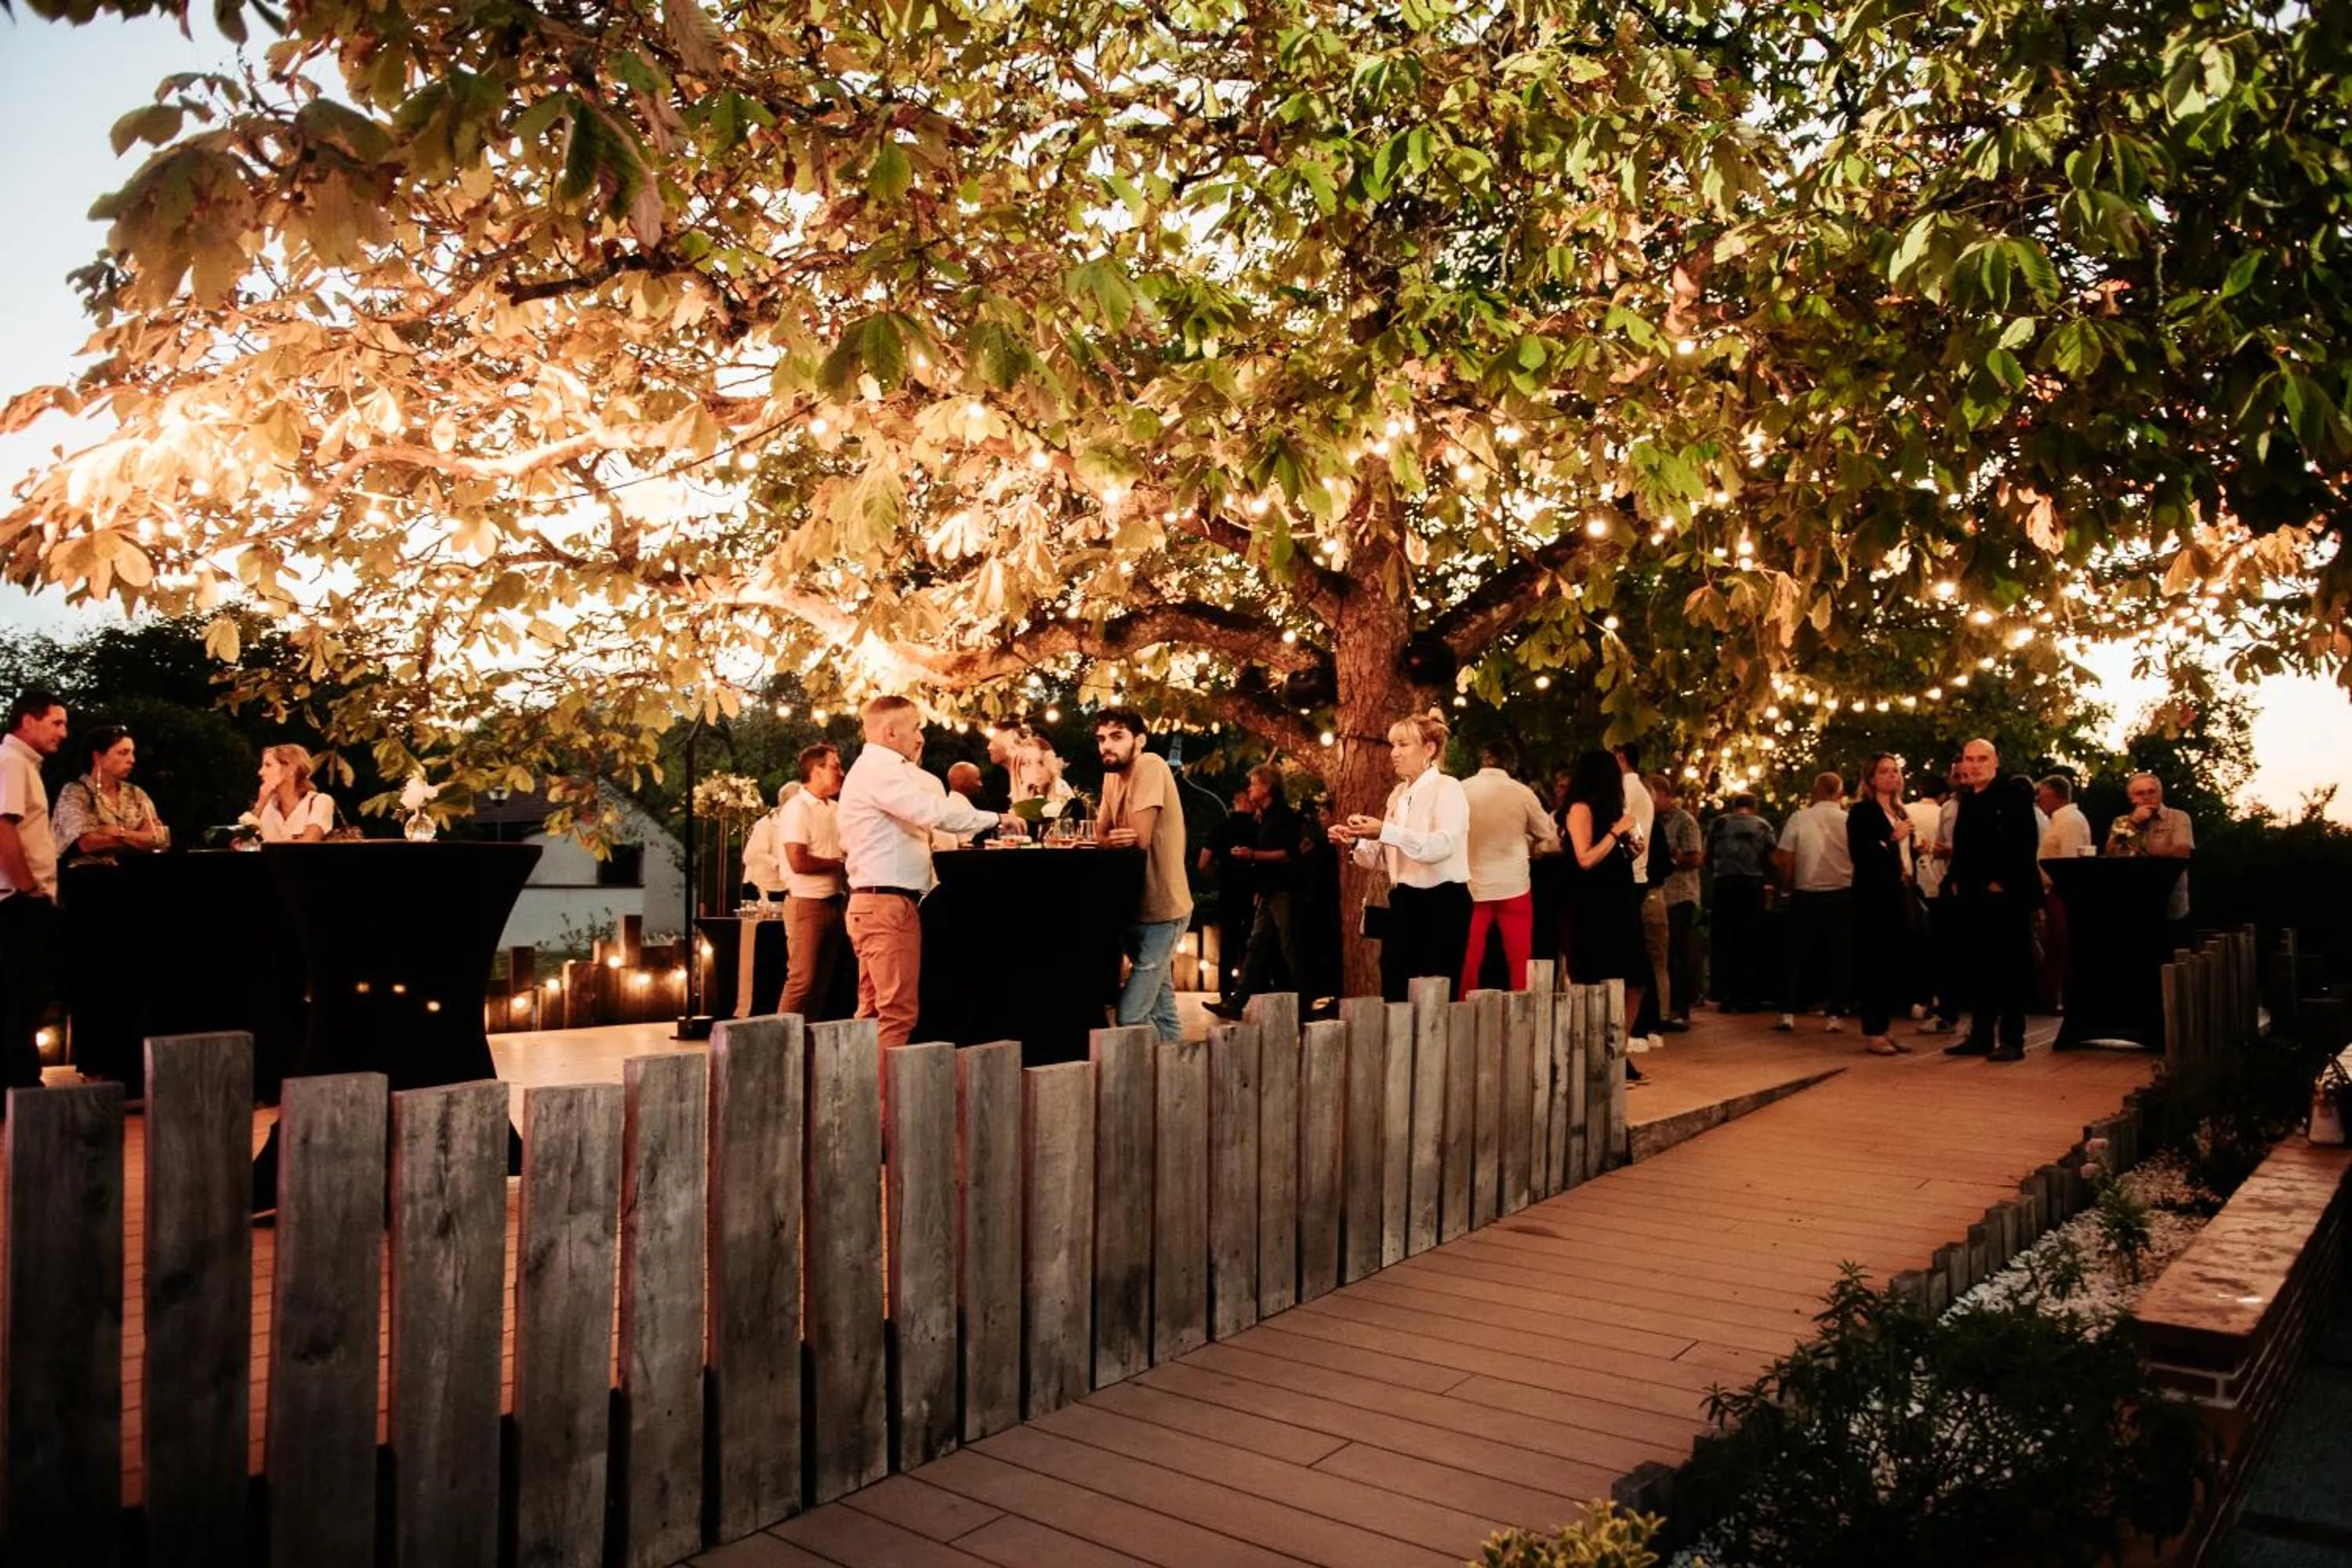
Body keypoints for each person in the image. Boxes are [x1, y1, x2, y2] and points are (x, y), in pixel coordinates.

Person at [837, 696, 1018, 1051]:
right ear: (891, 732)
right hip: (887, 905)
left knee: (873, 1012)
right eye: (915, 727)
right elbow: (930, 811)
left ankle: (863, 1098)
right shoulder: (881, 770)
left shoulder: (874, 769)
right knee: (896, 1014)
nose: (920, 735)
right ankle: (885, 1104)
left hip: (871, 903)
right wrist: (996, 818)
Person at [1330, 710, 1472, 1004]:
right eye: (1393, 745)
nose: (1394, 753)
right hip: (1403, 902)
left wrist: (1385, 830)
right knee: (1395, 992)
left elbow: (1440, 847)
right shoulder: (1397, 794)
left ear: (1429, 749)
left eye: (1403, 745)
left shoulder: (1448, 788)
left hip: (1443, 904)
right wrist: (1355, 842)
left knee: (1435, 997)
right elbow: (1391, 858)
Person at [1094, 708, 1191, 1044]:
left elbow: (1139, 838)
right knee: (1163, 1012)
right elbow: (1100, 834)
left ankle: (1150, 1081)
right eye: (1102, 738)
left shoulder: (1150, 764)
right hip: (1135, 907)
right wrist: (1108, 839)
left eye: (1117, 736)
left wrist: (1110, 839)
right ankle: (1177, 1081)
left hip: (1164, 908)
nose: (1107, 745)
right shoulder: (1111, 776)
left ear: (1140, 740)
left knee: (1131, 1014)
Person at [1944, 737, 2043, 1061]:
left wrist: (2002, 881)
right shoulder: (1968, 798)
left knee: (2009, 968)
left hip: (2006, 897)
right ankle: (1981, 1036)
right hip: (1974, 896)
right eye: (1968, 759)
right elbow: (1964, 845)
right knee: (1979, 966)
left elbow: (2024, 841)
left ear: (1995, 762)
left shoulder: (2013, 794)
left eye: (1980, 759)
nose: (1973, 765)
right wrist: (1956, 879)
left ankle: (2012, 1040)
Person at [1557, 748, 1646, 1078]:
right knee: (1595, 980)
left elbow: (1615, 858)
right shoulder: (1580, 809)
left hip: (1619, 905)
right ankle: (1596, 1054)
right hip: (1592, 909)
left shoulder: (1611, 812)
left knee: (1635, 980)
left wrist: (1631, 845)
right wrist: (1614, 833)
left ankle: (1616, 1051)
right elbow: (1585, 859)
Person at [0, 689, 69, 1101]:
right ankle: (18, 1085)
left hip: (23, 897)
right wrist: (27, 888)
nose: (64, 732)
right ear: (28, 720)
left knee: (29, 991)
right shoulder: (11, 762)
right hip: (16, 898)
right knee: (22, 992)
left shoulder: (23, 764)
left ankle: (20, 1081)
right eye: (56, 722)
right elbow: (4, 828)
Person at [1459, 739, 1559, 995]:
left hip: (1473, 886)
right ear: (1511, 765)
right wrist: (1526, 841)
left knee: (1469, 959)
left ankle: (1460, 1012)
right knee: (1519, 959)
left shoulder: (1461, 789)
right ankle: (1522, 1013)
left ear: (1483, 760)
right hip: (1514, 885)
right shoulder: (1522, 792)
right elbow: (1547, 832)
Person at [1846, 753, 1918, 1057]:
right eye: (1885, 772)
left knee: (1892, 963)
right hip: (1873, 897)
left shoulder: (1899, 811)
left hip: (1899, 891)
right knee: (1875, 963)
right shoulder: (1863, 812)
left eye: (1896, 771)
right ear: (1872, 779)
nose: (1892, 776)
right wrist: (1892, 839)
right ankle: (1873, 1031)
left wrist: (1913, 846)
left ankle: (1886, 1028)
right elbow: (1863, 853)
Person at [1773, 771, 1853, 1033]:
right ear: (1840, 793)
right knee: (1839, 954)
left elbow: (1784, 857)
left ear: (1815, 790)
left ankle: (1787, 1012)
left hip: (1805, 892)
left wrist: (1786, 883)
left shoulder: (1800, 818)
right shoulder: (1848, 820)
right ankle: (1835, 1014)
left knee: (1794, 954)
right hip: (1842, 892)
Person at [778, 743, 849, 1022]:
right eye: (835, 767)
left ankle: (808, 1046)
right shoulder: (797, 808)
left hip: (834, 901)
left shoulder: (836, 808)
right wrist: (840, 864)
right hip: (807, 903)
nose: (841, 773)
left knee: (822, 984)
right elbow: (799, 861)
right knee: (801, 980)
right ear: (816, 770)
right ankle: (781, 1041)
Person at [1228, 764, 1305, 1015]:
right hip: (1269, 891)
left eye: (1253, 784)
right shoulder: (1265, 816)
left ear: (1267, 787)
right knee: (1256, 946)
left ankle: (1304, 1005)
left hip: (1284, 890)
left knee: (1290, 948)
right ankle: (1237, 1002)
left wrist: (1254, 855)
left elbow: (1289, 854)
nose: (1249, 788)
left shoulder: (1284, 817)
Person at [52, 725, 170, 867]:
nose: (132, 760)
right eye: (123, 753)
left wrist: (118, 833)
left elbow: (159, 838)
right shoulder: (75, 793)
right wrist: (139, 838)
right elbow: (87, 843)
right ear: (97, 757)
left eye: (132, 753)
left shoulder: (136, 794)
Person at [1704, 793, 1775, 1011]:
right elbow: (1771, 859)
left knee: (1725, 939)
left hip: (1724, 885)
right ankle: (1749, 995)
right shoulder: (1763, 826)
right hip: (1752, 885)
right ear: (1754, 806)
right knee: (1751, 940)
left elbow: (1707, 858)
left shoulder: (1719, 823)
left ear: (1734, 806)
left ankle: (1726, 995)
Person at [2104, 772, 2194, 938]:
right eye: (2140, 793)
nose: (2147, 797)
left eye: (2152, 792)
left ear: (2161, 794)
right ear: (2131, 798)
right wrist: (2133, 824)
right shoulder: (2122, 822)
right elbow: (2110, 856)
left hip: (2171, 905)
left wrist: (2141, 852)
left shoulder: (2178, 818)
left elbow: (2182, 852)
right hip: (2132, 906)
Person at [2035, 775, 2093, 1010]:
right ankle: (2053, 996)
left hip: (2062, 892)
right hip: (2053, 892)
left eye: (2043, 796)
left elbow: (2071, 859)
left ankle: (2060, 997)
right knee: (2055, 944)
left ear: (2055, 796)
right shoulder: (2060, 820)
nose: (2040, 800)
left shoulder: (2070, 821)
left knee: (2062, 944)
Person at [1197, 788, 1258, 1011]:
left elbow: (1203, 863)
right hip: (1254, 894)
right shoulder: (1257, 829)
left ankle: (1225, 996)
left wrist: (1220, 873)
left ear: (1234, 803)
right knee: (1251, 946)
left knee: (1228, 947)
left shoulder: (1220, 829)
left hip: (1228, 893)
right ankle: (1251, 995)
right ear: (1248, 803)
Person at [1651, 775, 1702, 1031]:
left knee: (1679, 954)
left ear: (1665, 794)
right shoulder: (1651, 822)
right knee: (1664, 954)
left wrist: (1671, 860)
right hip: (1660, 895)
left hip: (1680, 895)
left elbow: (1694, 858)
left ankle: (1680, 1009)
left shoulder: (1684, 821)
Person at [254, 744, 336, 842]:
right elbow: (242, 844)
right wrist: (260, 804)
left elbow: (309, 841)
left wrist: (267, 847)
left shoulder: (319, 802)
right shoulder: (267, 807)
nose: (260, 772)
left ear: (291, 770)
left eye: (268, 765)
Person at [739, 782, 793, 902]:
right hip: (761, 887)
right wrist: (777, 864)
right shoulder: (765, 824)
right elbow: (751, 856)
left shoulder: (795, 824)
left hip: (785, 886)